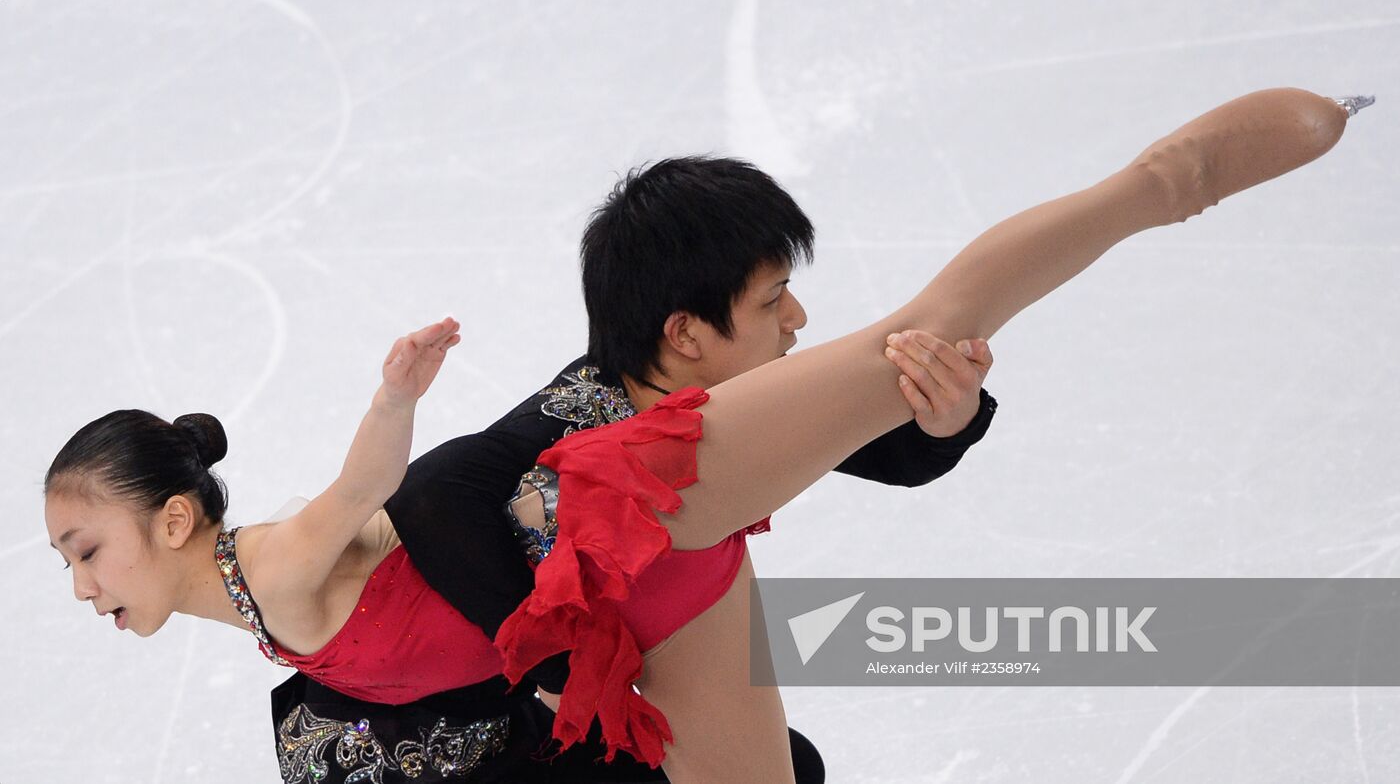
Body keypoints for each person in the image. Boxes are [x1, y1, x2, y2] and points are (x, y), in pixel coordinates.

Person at [44, 88, 1365, 783]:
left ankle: (1162, 183)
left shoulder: (276, 563)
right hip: (654, 601)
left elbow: (364, 487)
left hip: (625, 518)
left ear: (171, 518)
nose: (79, 580)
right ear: (683, 333)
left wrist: (394, 396)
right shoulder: (286, 648)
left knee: (927, 327)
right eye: (770, 302)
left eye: (81, 546)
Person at [266, 156, 999, 784]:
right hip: (412, 750)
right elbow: (432, 493)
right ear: (684, 331)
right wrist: (562, 667)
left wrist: (947, 418)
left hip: (491, 720)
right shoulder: (576, 416)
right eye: (773, 299)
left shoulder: (701, 394)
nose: (798, 317)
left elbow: (876, 448)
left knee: (787, 764)